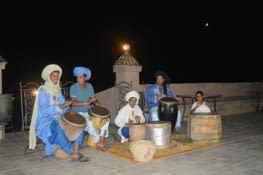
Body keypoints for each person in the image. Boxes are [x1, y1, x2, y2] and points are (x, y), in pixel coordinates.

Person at [29, 64, 89, 162]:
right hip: (46, 121)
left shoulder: (57, 90)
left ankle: (76, 150)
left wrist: (68, 110)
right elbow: (44, 111)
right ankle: (73, 153)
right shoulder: (43, 91)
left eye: (57, 76)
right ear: (49, 77)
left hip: (59, 117)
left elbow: (63, 106)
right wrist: (61, 106)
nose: (56, 78)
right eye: (54, 76)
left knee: (79, 125)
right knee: (58, 128)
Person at [70, 66, 109, 151]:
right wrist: (86, 103)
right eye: (77, 77)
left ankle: (101, 141)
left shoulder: (90, 86)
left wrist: (99, 104)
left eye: (80, 77)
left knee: (105, 119)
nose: (78, 79)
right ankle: (98, 141)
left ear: (86, 78)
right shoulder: (74, 87)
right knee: (90, 122)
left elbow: (93, 99)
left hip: (88, 112)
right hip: (78, 113)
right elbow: (73, 102)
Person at [145, 70, 182, 135]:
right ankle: (157, 132)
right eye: (157, 78)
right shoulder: (151, 88)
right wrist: (157, 97)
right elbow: (147, 98)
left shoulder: (167, 89)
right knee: (154, 114)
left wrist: (166, 96)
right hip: (155, 107)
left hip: (166, 108)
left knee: (178, 112)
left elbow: (172, 98)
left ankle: (177, 128)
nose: (158, 80)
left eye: (160, 79)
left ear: (163, 80)